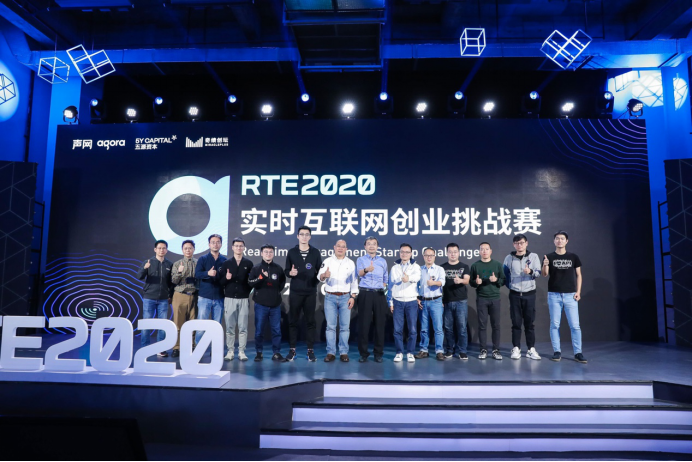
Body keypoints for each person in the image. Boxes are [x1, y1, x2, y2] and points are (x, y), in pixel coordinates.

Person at [542, 231, 587, 364]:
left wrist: (578, 291)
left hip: (570, 295)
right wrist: (545, 264)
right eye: (557, 238)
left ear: (567, 241)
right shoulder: (548, 256)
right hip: (554, 294)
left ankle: (578, 353)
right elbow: (544, 274)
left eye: (562, 239)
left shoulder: (573, 257)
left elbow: (579, 275)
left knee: (575, 326)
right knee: (555, 325)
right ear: (554, 241)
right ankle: (557, 351)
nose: (559, 241)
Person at [284, 226, 323, 362]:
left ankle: (310, 350)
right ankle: (292, 350)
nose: (304, 237)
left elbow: (319, 272)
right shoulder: (292, 252)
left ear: (310, 237)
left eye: (307, 234)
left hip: (310, 292)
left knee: (310, 322)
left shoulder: (315, 252)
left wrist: (317, 280)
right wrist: (290, 273)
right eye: (302, 234)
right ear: (298, 236)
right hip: (295, 292)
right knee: (293, 321)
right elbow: (286, 270)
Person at [318, 240, 359, 362]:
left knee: (345, 327)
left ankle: (343, 352)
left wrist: (353, 297)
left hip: (345, 297)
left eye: (343, 247)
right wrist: (324, 275)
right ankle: (330, 352)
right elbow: (319, 277)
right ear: (334, 247)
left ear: (346, 249)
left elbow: (354, 282)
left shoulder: (350, 263)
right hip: (330, 297)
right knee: (330, 327)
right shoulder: (327, 261)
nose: (340, 248)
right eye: (338, 246)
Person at [503, 234, 542, 361]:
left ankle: (531, 349)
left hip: (529, 294)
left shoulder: (533, 256)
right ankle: (516, 348)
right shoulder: (509, 258)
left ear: (526, 243)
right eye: (517, 243)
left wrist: (530, 271)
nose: (519, 245)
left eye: (521, 242)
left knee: (529, 323)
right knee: (516, 323)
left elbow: (538, 273)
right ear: (513, 244)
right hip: (514, 294)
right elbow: (505, 275)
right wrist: (512, 286)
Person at [249, 244, 286, 362]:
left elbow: (282, 284)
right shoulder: (256, 268)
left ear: (273, 254)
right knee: (259, 330)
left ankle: (276, 353)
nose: (268, 254)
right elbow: (251, 283)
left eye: (270, 252)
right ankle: (259, 353)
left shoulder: (278, 268)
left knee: (276, 330)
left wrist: (274, 293)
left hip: (275, 305)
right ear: (261, 253)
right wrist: (261, 278)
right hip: (261, 304)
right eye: (266, 252)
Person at [219, 238, 254, 362]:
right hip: (229, 299)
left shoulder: (248, 264)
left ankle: (241, 351)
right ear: (232, 247)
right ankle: (230, 351)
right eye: (236, 246)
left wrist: (246, 291)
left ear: (244, 248)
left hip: (243, 299)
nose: (239, 248)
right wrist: (226, 278)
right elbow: (220, 282)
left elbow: (251, 282)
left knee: (243, 327)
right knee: (230, 327)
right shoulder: (226, 263)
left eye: (241, 246)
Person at [137, 240, 174, 357]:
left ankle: (161, 349)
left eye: (164, 248)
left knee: (162, 325)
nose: (161, 250)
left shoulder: (169, 264)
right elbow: (139, 276)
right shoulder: (148, 262)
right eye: (159, 248)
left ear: (166, 250)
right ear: (155, 249)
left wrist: (170, 295)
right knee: (146, 324)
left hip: (163, 299)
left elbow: (171, 283)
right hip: (149, 297)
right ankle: (145, 348)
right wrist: (145, 268)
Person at [469, 242, 505, 360]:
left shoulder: (497, 265)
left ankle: (496, 350)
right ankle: (483, 349)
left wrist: (496, 280)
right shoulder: (475, 266)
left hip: (495, 298)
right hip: (482, 298)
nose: (484, 251)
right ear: (479, 251)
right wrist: (476, 282)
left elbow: (503, 281)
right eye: (482, 249)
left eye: (487, 249)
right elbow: (471, 282)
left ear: (491, 251)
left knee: (496, 325)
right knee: (482, 326)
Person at [356, 237, 389, 363]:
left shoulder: (382, 261)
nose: (371, 246)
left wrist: (380, 286)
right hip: (365, 293)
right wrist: (366, 270)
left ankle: (378, 353)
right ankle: (363, 353)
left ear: (377, 247)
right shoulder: (361, 259)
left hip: (379, 294)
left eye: (374, 244)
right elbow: (359, 273)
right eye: (369, 244)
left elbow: (385, 278)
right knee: (364, 324)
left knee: (379, 324)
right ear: (365, 246)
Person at [388, 243, 422, 363]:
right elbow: (391, 284)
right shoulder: (395, 268)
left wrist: (409, 279)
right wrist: (390, 302)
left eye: (407, 252)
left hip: (411, 301)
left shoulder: (416, 266)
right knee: (397, 329)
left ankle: (410, 352)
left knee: (412, 329)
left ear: (411, 253)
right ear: (399, 253)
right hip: (397, 300)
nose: (404, 254)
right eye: (402, 252)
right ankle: (399, 352)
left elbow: (417, 277)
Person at [194, 234, 227, 345]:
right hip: (204, 296)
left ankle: (215, 350)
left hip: (219, 297)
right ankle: (198, 349)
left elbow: (224, 279)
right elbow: (197, 274)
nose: (215, 244)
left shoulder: (224, 260)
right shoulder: (203, 259)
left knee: (217, 325)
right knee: (201, 325)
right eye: (213, 242)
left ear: (221, 244)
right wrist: (207, 273)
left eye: (218, 242)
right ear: (209, 244)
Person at [416, 247, 446, 361]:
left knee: (438, 328)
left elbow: (442, 282)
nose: (429, 257)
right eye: (427, 255)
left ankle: (439, 351)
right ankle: (424, 350)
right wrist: (417, 298)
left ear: (434, 256)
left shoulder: (439, 269)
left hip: (436, 301)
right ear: (423, 257)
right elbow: (415, 286)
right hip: (423, 301)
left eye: (431, 255)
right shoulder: (419, 269)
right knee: (424, 328)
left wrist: (434, 283)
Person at [442, 243, 471, 360]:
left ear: (458, 253)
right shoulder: (442, 267)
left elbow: (467, 280)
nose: (453, 254)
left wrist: (461, 280)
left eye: (455, 252)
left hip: (461, 301)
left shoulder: (464, 266)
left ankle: (462, 351)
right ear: (447, 253)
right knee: (448, 328)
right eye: (450, 252)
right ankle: (450, 350)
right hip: (447, 301)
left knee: (462, 328)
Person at [170, 240, 198, 358]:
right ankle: (176, 347)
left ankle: (192, 345)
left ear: (194, 249)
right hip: (180, 295)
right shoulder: (177, 264)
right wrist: (179, 272)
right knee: (178, 323)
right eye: (186, 248)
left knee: (193, 323)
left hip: (194, 295)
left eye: (190, 248)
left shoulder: (198, 263)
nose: (188, 250)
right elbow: (173, 280)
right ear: (182, 250)